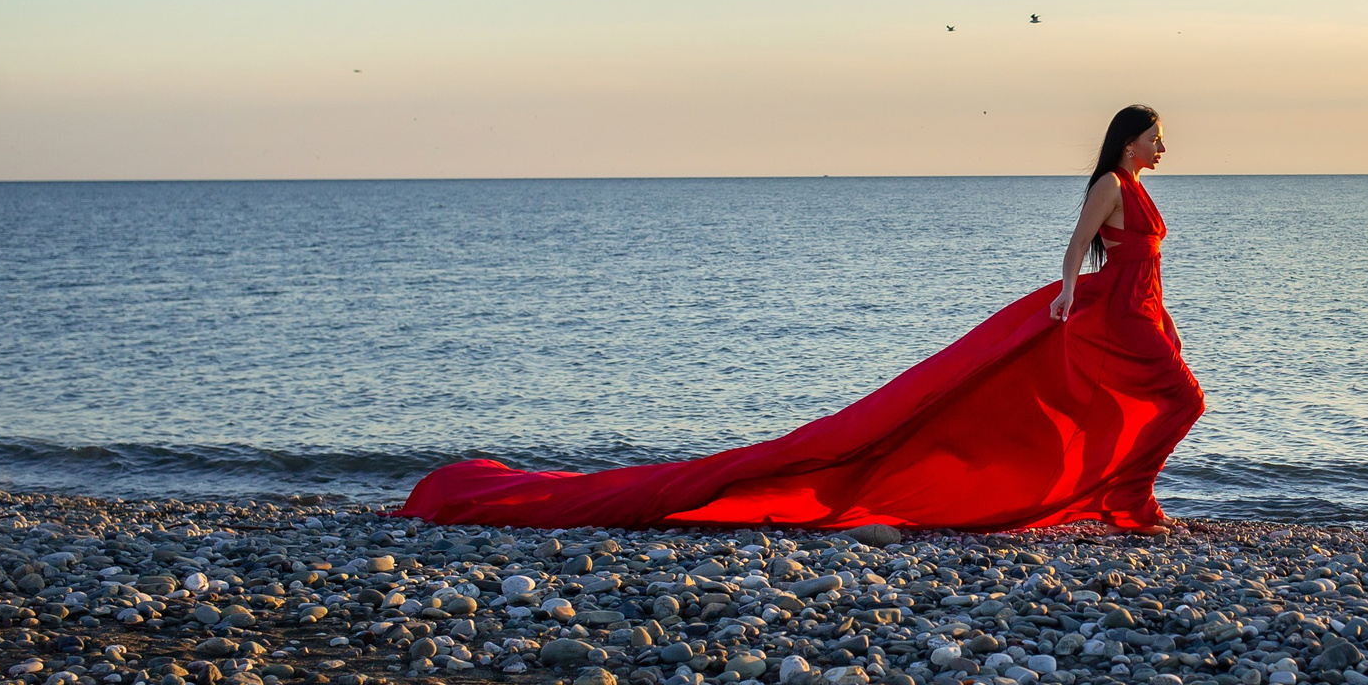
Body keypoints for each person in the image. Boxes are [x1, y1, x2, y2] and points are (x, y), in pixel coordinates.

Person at [396, 105, 1206, 532]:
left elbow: (1139, 260)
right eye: (1158, 136)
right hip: (1115, 316)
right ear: (1132, 137)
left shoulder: (1139, 187)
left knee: (1158, 403)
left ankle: (1121, 496)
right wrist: (1067, 291)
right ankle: (1125, 498)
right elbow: (1075, 242)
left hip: (1139, 313)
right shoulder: (1111, 182)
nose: (1163, 148)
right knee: (1183, 402)